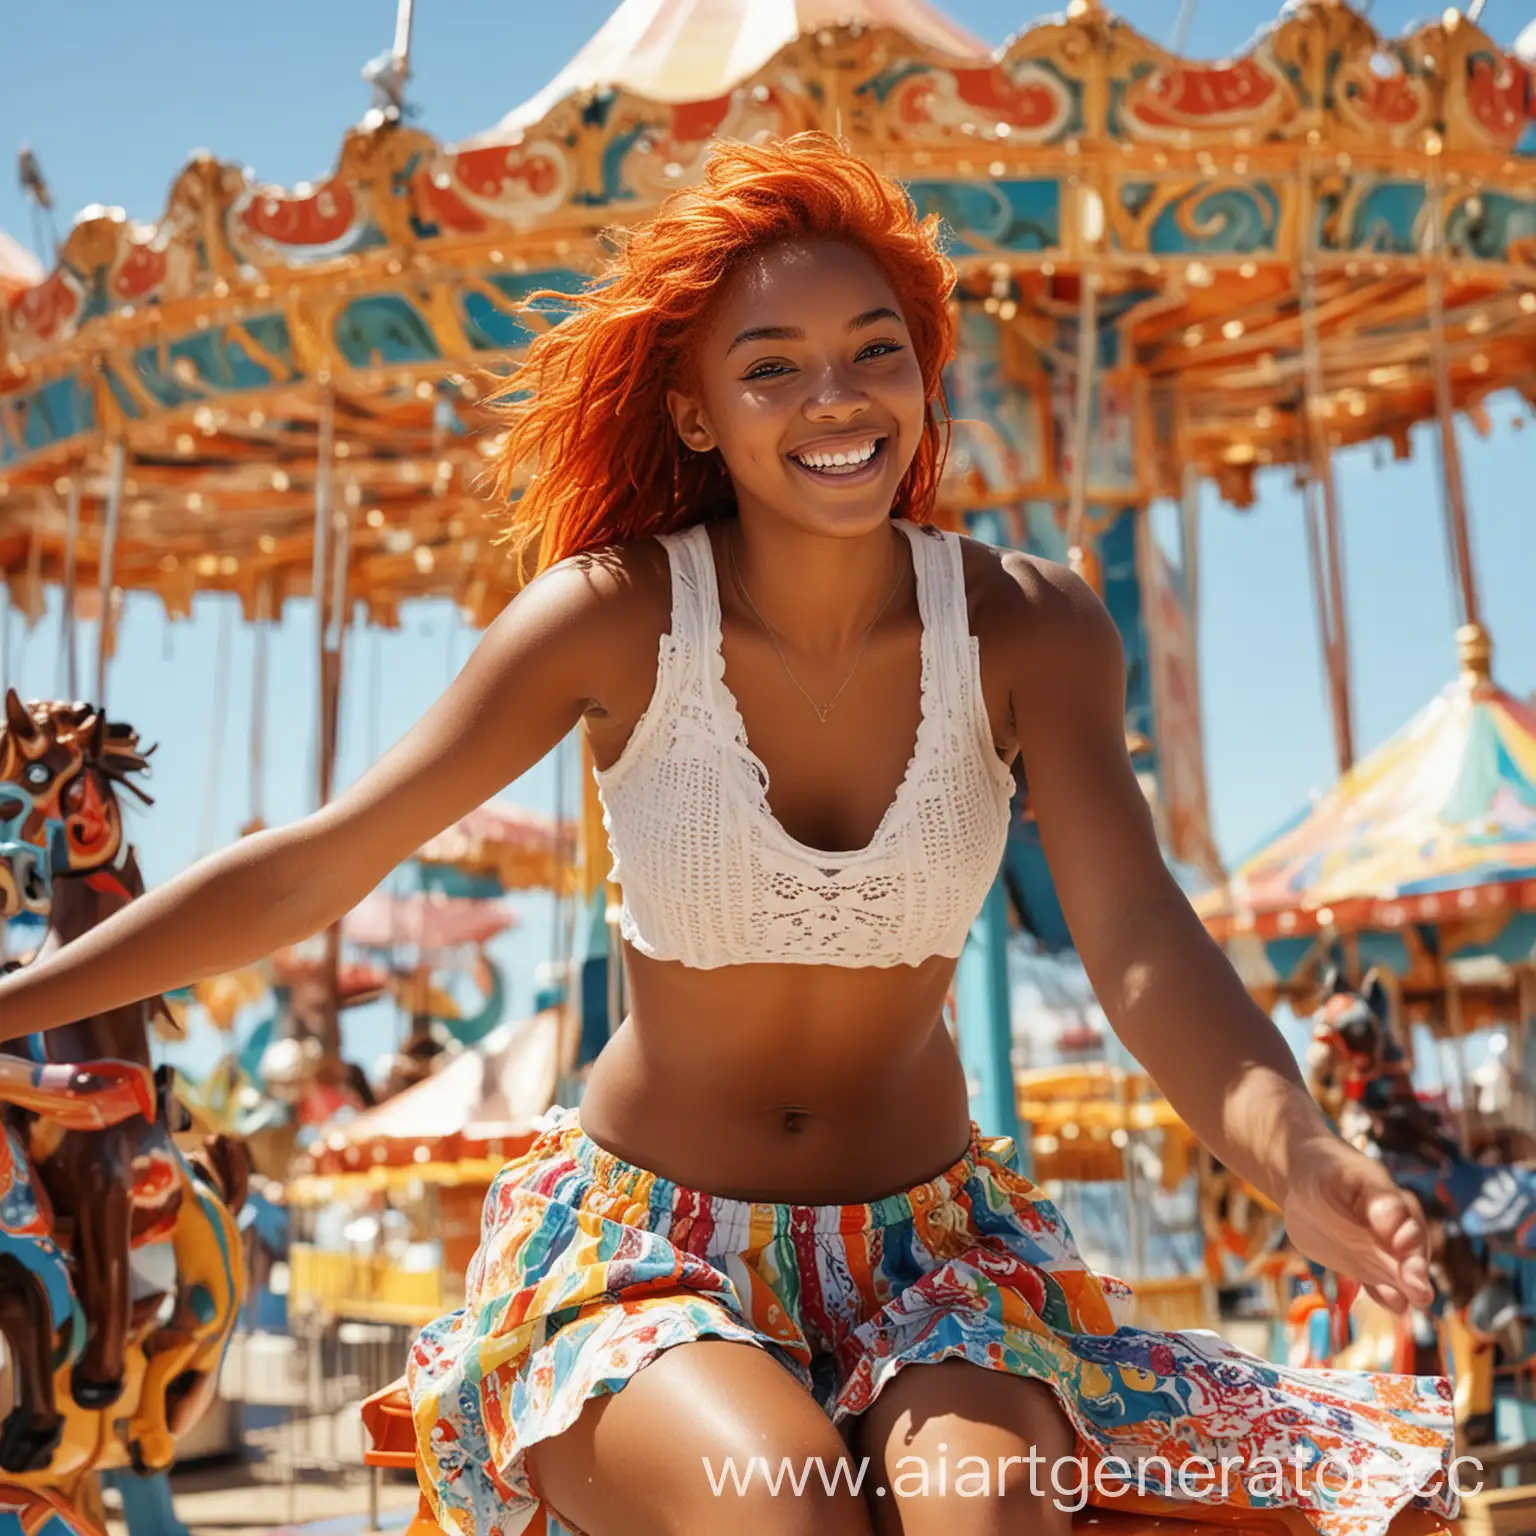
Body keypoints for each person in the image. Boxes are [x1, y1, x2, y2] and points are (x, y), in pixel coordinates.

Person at [0, 135, 1455, 1536]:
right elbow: (328, 858)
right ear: (697, 411)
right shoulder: (617, 616)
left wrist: (1297, 1150)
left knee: (987, 1513)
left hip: (933, 1256)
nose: (838, 397)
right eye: (772, 367)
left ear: (925, 367)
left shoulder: (1033, 627)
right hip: (648, 1257)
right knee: (781, 1505)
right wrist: (16, 1007)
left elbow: (1139, 945)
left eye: (876, 348)